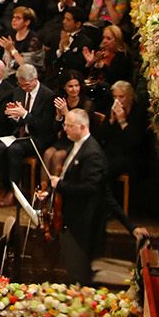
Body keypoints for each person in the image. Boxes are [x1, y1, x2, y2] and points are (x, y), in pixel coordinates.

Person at [43, 109, 110, 284]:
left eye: (69, 126)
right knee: (71, 268)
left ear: (81, 127)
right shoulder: (76, 145)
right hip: (69, 216)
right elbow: (64, 175)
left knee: (78, 272)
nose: (65, 129)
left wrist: (60, 185)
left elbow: (90, 187)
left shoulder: (92, 153)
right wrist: (49, 191)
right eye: (64, 125)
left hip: (81, 221)